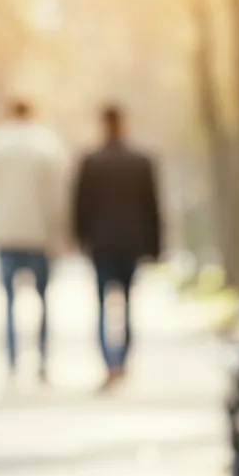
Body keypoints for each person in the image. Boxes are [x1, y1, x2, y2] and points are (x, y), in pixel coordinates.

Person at [0, 99, 68, 384]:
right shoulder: (48, 145)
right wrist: (61, 233)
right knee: (43, 300)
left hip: (4, 233)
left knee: (9, 301)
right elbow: (59, 196)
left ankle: (12, 362)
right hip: (39, 235)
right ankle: (43, 360)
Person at [73, 104, 161, 390]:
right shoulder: (141, 161)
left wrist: (80, 238)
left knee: (102, 303)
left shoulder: (91, 161)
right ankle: (122, 360)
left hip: (101, 242)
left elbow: (80, 206)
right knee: (128, 304)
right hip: (132, 242)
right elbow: (152, 207)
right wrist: (155, 245)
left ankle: (109, 362)